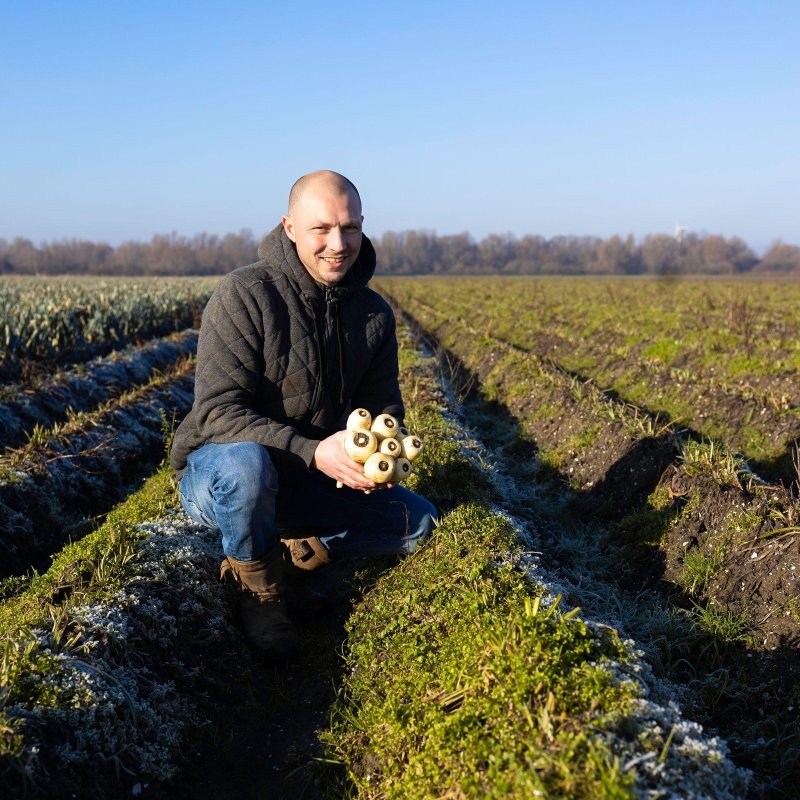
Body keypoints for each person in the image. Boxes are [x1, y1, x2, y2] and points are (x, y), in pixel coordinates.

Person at [170, 170, 438, 659]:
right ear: (290, 228)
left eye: (350, 227)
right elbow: (217, 413)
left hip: (309, 481)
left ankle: (302, 552)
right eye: (322, 229)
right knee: (246, 467)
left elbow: (383, 410)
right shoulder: (245, 295)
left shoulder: (373, 314)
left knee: (418, 522)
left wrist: (375, 459)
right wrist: (313, 451)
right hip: (225, 476)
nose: (338, 244)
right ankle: (259, 591)